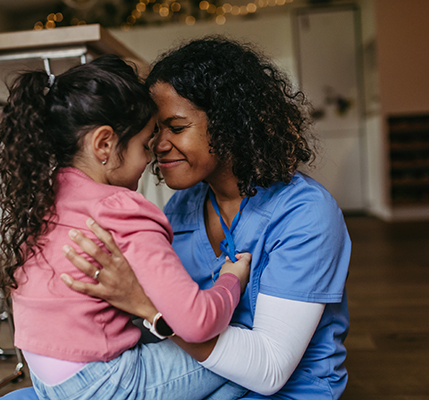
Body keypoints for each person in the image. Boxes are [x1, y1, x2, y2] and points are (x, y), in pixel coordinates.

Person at [60, 37, 351, 400]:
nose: (157, 144)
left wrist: (145, 307)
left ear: (231, 124)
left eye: (176, 128)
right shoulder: (181, 207)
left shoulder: (305, 214)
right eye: (154, 130)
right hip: (205, 378)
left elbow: (270, 370)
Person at [0, 54, 250, 400]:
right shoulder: (120, 209)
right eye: (144, 145)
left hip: (49, 384)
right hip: (106, 385)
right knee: (240, 358)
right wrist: (232, 280)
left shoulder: (44, 195)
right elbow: (197, 322)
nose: (151, 156)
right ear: (104, 144)